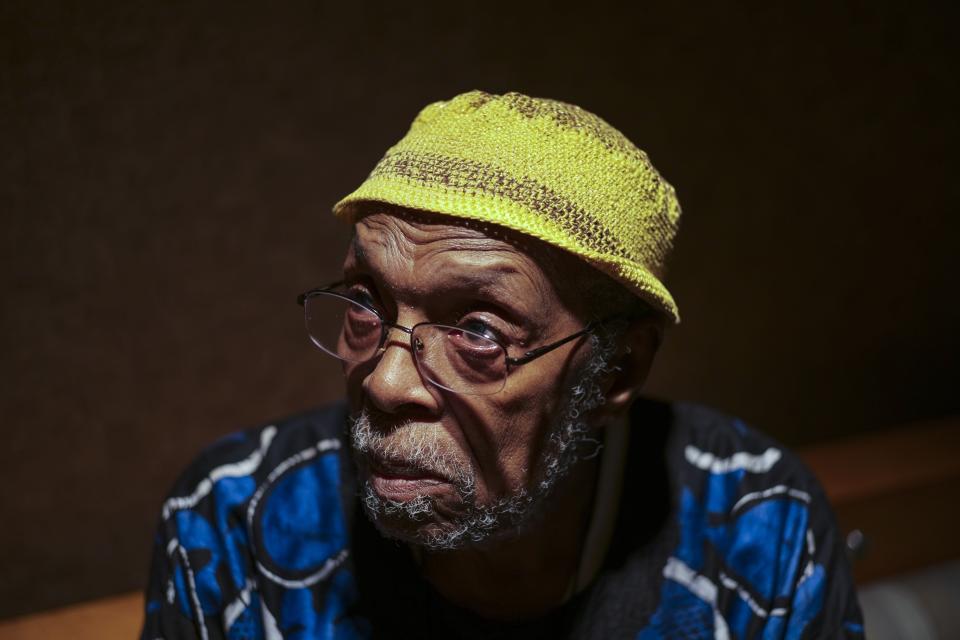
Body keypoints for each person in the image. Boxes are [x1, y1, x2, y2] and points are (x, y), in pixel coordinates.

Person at [141, 91, 864, 639]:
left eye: (478, 331)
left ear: (616, 369)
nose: (387, 383)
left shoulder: (760, 531)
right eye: (365, 305)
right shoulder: (234, 526)